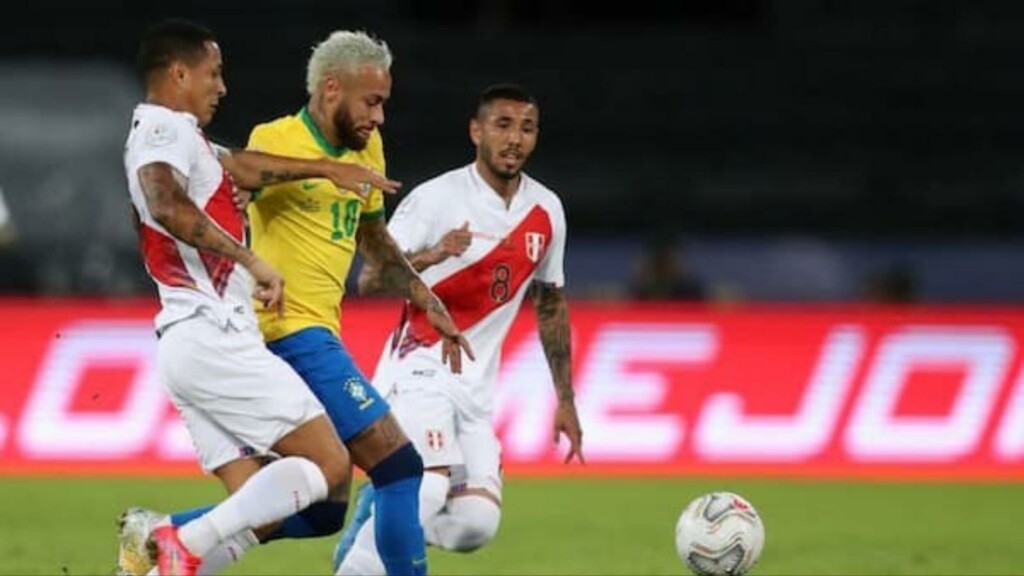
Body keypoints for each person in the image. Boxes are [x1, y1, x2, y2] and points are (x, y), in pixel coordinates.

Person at [118, 28, 473, 576]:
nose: (378, 117)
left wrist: (423, 295)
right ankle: (179, 538)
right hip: (274, 330)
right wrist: (252, 257)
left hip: (230, 332)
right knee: (396, 466)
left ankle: (163, 546)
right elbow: (177, 197)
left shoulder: (357, 148)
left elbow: (370, 242)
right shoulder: (250, 136)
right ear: (333, 88)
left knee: (313, 505)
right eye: (371, 102)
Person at [333, 83, 585, 576]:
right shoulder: (436, 199)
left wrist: (567, 399)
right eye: (503, 125)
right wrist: (434, 254)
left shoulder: (546, 211)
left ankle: (378, 514)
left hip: (474, 389)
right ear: (477, 131)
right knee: (424, 489)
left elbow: (550, 301)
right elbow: (370, 278)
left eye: (527, 128)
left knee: (474, 524)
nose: (514, 139)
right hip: (421, 367)